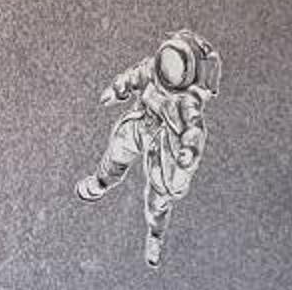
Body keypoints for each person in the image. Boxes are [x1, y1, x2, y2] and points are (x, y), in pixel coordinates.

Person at [76, 29, 220, 265]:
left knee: (158, 199)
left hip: (166, 146)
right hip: (141, 123)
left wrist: (189, 150)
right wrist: (117, 89)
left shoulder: (187, 102)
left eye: (175, 67)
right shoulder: (153, 69)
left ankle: (155, 235)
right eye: (166, 60)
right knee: (118, 151)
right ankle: (100, 182)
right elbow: (134, 76)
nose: (166, 71)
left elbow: (195, 129)